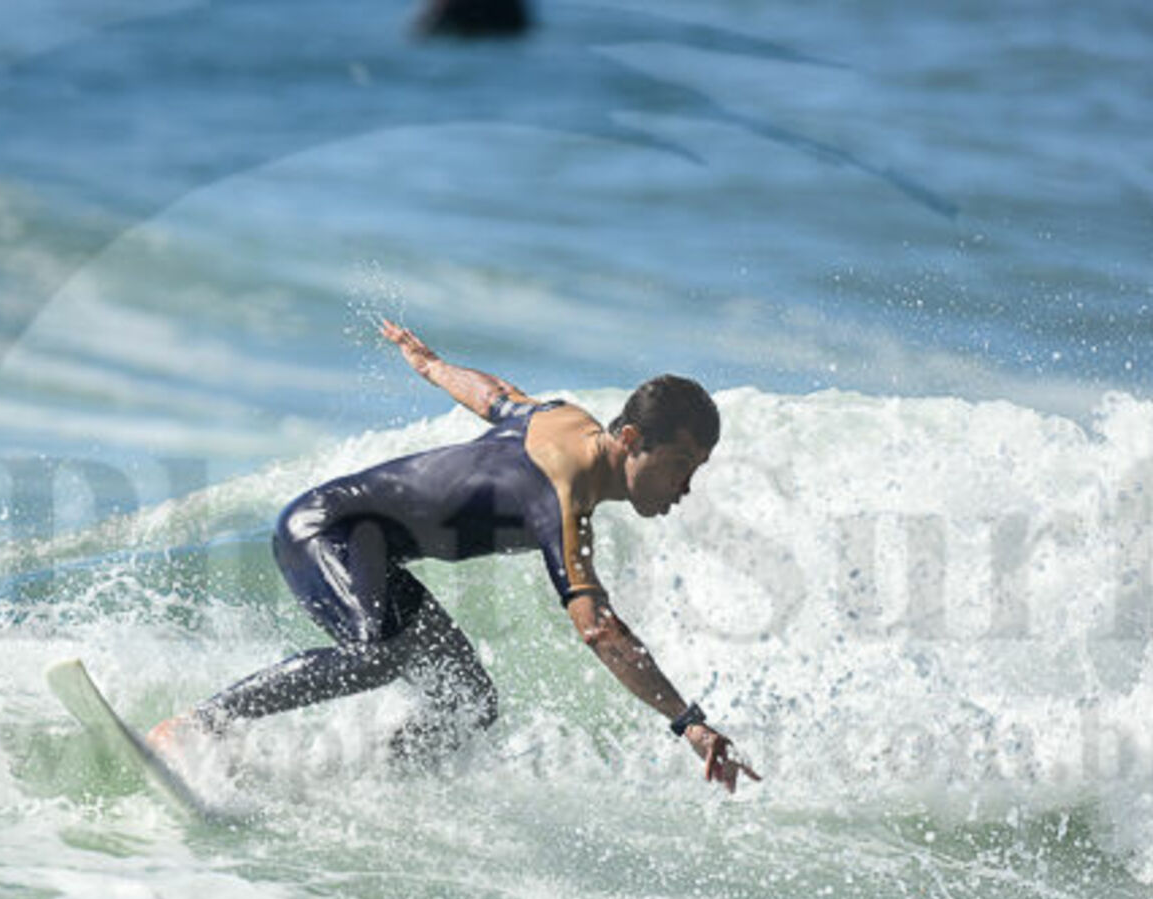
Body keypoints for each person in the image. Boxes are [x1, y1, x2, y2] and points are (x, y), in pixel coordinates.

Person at [149, 320, 760, 792]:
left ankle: (360, 787)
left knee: (470, 701)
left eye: (696, 470)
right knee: (375, 654)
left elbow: (496, 396)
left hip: (374, 553)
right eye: (680, 465)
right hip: (325, 529)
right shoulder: (564, 498)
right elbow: (599, 630)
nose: (685, 486)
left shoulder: (566, 420)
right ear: (630, 440)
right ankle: (197, 725)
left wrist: (432, 366)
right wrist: (688, 722)